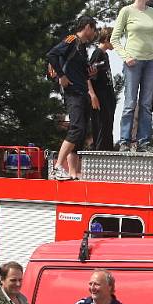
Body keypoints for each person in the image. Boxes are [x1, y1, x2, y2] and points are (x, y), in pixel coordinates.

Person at [111, 0, 153, 153]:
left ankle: (144, 141)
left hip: (151, 62)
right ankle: (125, 140)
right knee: (130, 102)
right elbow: (114, 39)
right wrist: (126, 56)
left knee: (146, 103)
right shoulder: (126, 11)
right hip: (133, 62)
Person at [47, 15, 98, 180]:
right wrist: (61, 76)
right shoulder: (71, 40)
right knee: (76, 128)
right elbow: (52, 55)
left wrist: (90, 71)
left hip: (83, 93)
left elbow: (81, 70)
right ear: (87, 27)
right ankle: (57, 166)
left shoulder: (83, 48)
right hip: (73, 93)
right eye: (94, 29)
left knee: (81, 132)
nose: (95, 33)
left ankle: (73, 172)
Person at [89, 27, 117, 151]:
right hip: (100, 95)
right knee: (101, 123)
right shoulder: (97, 53)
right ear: (106, 39)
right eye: (114, 40)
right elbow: (89, 74)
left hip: (108, 95)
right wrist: (92, 95)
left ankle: (108, 148)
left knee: (108, 123)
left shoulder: (105, 55)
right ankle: (99, 149)